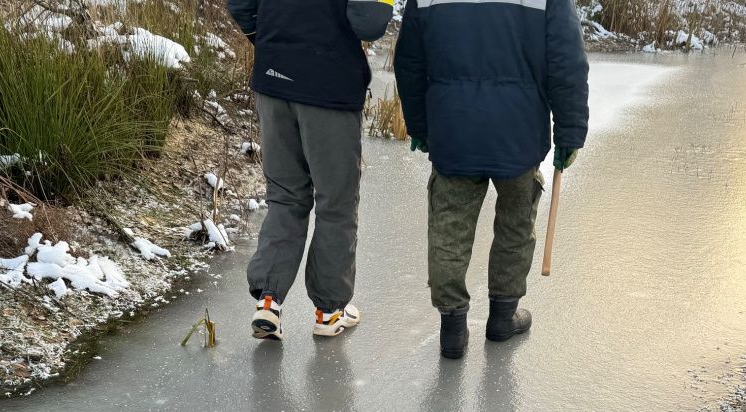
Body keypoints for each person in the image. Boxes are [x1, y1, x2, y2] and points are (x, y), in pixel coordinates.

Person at [394, 0, 589, 360]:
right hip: (518, 131)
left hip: (454, 129)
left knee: (449, 227)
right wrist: (570, 132)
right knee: (516, 223)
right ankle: (503, 316)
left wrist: (420, 125)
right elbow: (567, 63)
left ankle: (452, 329)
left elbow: (409, 60)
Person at [227, 0, 394, 341]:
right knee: (336, 200)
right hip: (327, 85)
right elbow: (370, 21)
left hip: (273, 78)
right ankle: (329, 312)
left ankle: (268, 301)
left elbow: (239, 3)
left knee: (285, 195)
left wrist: (273, 42)